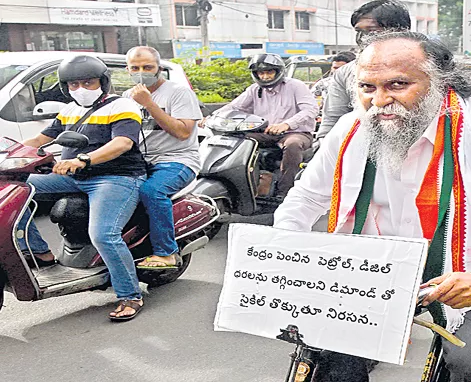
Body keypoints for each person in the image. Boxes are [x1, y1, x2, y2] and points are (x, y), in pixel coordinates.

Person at [273, 31, 471, 381]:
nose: (379, 101)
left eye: (398, 84)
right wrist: (287, 251)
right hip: (375, 270)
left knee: (470, 362)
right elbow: (306, 198)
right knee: (327, 352)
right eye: (367, 88)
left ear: (440, 81)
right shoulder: (350, 129)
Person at [18, 55, 148, 321]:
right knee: (13, 189)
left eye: (89, 82)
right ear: (66, 87)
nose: (81, 89)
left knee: (103, 234)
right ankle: (40, 252)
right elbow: (38, 140)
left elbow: (122, 143)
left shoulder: (123, 106)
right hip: (74, 176)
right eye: (74, 84)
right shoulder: (70, 110)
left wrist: (82, 159)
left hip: (116, 178)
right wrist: (10, 154)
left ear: (103, 82)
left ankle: (130, 295)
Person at [122, 46, 202, 270]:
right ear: (127, 70)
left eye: (148, 67)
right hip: (140, 160)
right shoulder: (126, 97)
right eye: (135, 68)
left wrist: (149, 104)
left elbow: (182, 132)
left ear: (159, 68)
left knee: (152, 191)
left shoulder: (178, 92)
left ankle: (166, 252)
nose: (141, 72)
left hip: (178, 160)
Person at [200, 53, 318, 198]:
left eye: (269, 72)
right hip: (266, 133)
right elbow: (234, 107)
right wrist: (211, 118)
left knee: (292, 144)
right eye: (261, 73)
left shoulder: (295, 86)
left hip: (296, 133)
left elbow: (311, 109)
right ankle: (247, 188)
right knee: (235, 140)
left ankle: (285, 193)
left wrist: (286, 124)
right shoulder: (254, 89)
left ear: (278, 71)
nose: (265, 76)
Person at [316, 0, 412, 140]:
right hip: (362, 150)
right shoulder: (346, 73)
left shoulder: (426, 67)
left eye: (372, 31)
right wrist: (324, 147)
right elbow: (332, 121)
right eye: (359, 32)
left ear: (401, 32)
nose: (363, 39)